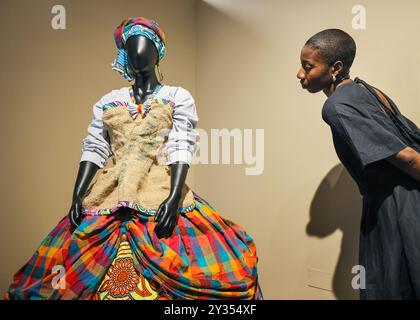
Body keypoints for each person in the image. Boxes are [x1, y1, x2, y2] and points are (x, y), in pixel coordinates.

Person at [5, 17, 263, 300]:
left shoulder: (177, 97)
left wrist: (174, 196)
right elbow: (94, 147)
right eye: (131, 48)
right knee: (65, 273)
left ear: (158, 52)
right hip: (108, 193)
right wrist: (77, 194)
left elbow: (181, 145)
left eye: (145, 47)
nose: (138, 54)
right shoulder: (109, 100)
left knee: (201, 268)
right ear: (124, 54)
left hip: (160, 191)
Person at [297, 28, 420, 299]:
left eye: (308, 66)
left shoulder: (336, 106)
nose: (300, 74)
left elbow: (409, 158)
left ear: (335, 67)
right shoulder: (369, 90)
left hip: (395, 210)